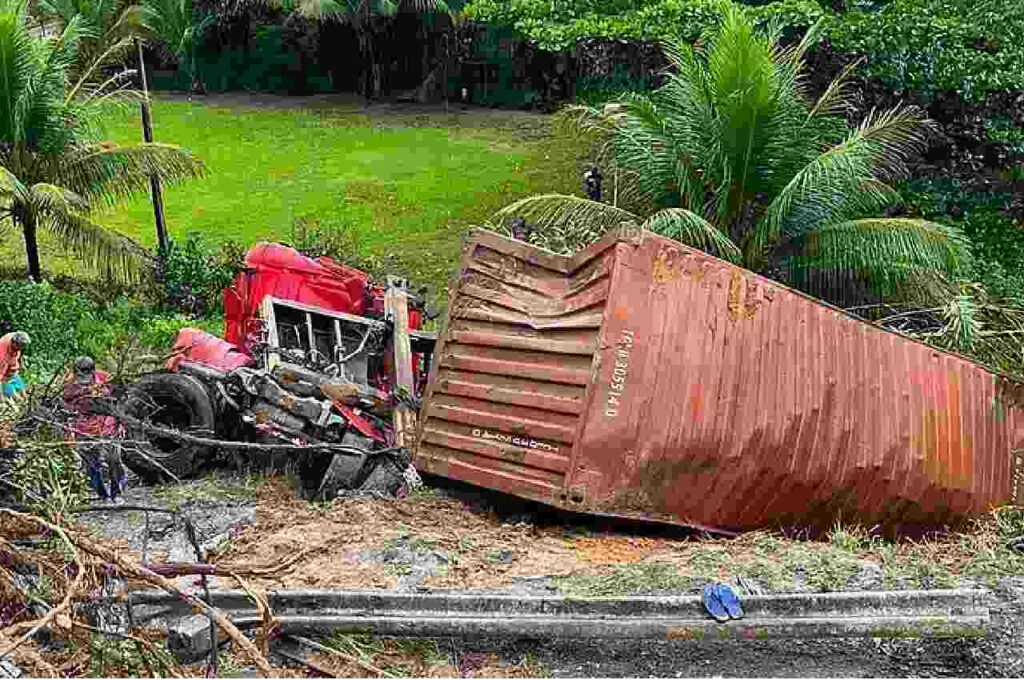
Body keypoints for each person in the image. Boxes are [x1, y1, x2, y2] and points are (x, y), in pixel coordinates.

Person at [63, 357, 127, 503]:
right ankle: (102, 494)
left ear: (93, 371)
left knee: (114, 459)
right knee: (92, 463)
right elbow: (65, 408)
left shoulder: (106, 379)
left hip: (107, 424)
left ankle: (117, 492)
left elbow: (120, 402)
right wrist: (69, 429)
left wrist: (121, 422)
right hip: (84, 427)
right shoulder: (68, 385)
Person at [0, 332, 30, 400]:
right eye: (20, 346)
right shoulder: (2, 355)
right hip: (4, 377)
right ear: (14, 343)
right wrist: (1, 397)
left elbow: (20, 351)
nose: (21, 349)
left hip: (12, 371)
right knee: (17, 398)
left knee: (23, 393)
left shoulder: (15, 336)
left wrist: (21, 363)